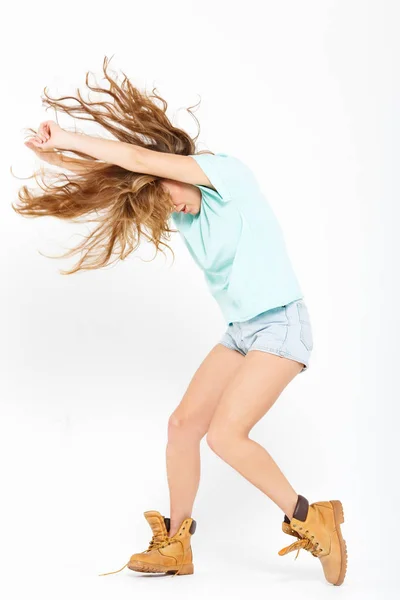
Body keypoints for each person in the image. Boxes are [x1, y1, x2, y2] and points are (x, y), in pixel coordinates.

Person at [14, 57, 347, 586]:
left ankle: (312, 519)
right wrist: (65, 162)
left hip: (281, 325)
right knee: (181, 426)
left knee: (225, 436)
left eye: (167, 194)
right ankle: (176, 543)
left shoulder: (226, 176)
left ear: (178, 171)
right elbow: (126, 171)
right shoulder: (181, 209)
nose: (174, 213)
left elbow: (131, 154)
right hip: (242, 331)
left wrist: (68, 136)